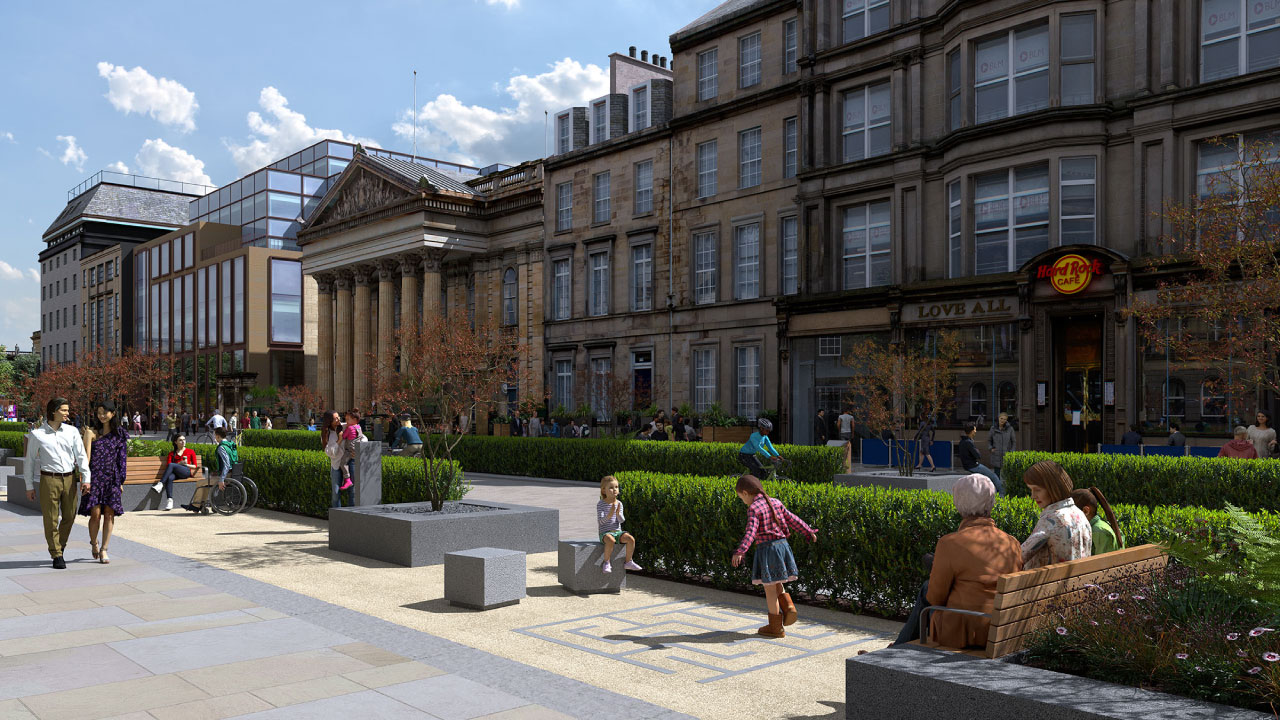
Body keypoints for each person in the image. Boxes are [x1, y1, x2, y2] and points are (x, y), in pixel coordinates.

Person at [893, 474, 1022, 646]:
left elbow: (935, 599)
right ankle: (898, 647)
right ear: (991, 503)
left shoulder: (949, 543)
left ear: (958, 504)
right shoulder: (1012, 542)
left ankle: (898, 648)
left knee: (927, 588)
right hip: (1003, 629)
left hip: (966, 633)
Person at [731, 474, 818, 638]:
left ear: (745, 493)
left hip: (768, 549)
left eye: (741, 498)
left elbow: (750, 532)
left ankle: (775, 627)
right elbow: (793, 519)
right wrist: (808, 531)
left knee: (769, 589)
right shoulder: (775, 502)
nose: (743, 501)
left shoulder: (754, 509)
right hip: (782, 546)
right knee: (777, 581)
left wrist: (741, 551)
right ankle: (789, 607)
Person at [23, 397, 90, 569]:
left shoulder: (72, 431)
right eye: (64, 410)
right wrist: (29, 486)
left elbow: (81, 456)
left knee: (69, 516)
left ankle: (59, 546)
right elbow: (29, 461)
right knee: (51, 519)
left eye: (68, 410)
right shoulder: (37, 434)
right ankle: (56, 554)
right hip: (48, 479)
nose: (68, 413)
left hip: (69, 479)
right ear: (54, 411)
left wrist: (86, 478)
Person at [78, 401, 129, 564]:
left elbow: (122, 459)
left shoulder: (120, 434)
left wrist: (121, 480)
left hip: (112, 478)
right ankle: (94, 543)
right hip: (95, 478)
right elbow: (86, 457)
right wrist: (85, 478)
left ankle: (104, 549)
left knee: (109, 513)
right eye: (99, 412)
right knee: (95, 514)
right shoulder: (91, 432)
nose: (101, 415)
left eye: (105, 412)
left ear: (113, 413)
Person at [1021, 460, 1091, 569]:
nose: (1032, 496)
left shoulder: (1052, 520)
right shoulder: (1080, 514)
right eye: (1031, 490)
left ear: (1053, 488)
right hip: (1079, 584)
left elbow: (1020, 556)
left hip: (1049, 585)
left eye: (1037, 490)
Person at [597, 475, 641, 573]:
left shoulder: (619, 503)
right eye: (611, 488)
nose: (614, 490)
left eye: (616, 487)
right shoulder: (601, 504)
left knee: (630, 539)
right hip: (605, 533)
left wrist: (617, 514)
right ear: (604, 490)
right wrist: (610, 514)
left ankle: (628, 562)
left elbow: (621, 521)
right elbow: (600, 522)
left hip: (617, 532)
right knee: (611, 540)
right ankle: (606, 562)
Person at [184, 427, 233, 514]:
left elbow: (227, 464)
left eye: (215, 435)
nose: (214, 437)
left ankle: (196, 506)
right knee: (205, 483)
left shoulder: (221, 448)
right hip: (230, 474)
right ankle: (200, 505)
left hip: (226, 476)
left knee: (200, 483)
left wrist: (221, 479)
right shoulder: (230, 445)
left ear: (218, 436)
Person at [1071, 487, 1124, 556]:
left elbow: (1101, 563)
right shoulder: (1099, 526)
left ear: (1086, 511)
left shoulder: (1098, 531)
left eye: (1072, 513)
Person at [155, 434, 198, 511]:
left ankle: (160, 484)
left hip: (186, 472)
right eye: (180, 440)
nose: (183, 442)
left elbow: (195, 466)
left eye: (184, 440)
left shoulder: (190, 451)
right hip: (176, 474)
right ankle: (169, 501)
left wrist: (186, 464)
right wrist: (179, 464)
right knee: (170, 477)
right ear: (175, 442)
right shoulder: (172, 453)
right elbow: (168, 466)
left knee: (172, 465)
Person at [957, 422, 1003, 495]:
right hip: (973, 466)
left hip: (967, 466)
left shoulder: (962, 441)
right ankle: (1002, 495)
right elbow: (978, 455)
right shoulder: (969, 442)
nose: (976, 431)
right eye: (975, 429)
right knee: (994, 477)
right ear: (971, 431)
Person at [321, 411, 350, 508]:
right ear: (329, 421)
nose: (339, 419)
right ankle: (337, 518)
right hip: (336, 466)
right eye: (336, 418)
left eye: (339, 417)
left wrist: (359, 447)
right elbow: (330, 453)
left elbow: (362, 437)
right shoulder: (326, 434)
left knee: (353, 493)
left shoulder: (345, 426)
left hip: (349, 464)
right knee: (336, 494)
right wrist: (339, 440)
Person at [336, 409, 364, 490]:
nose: (346, 421)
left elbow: (344, 436)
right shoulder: (359, 427)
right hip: (357, 449)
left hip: (350, 450)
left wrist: (341, 434)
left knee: (343, 463)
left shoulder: (350, 428)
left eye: (348, 419)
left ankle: (347, 479)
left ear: (354, 420)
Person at [988, 413, 1015, 479]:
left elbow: (1013, 441)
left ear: (1006, 420)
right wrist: (991, 448)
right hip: (996, 454)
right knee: (996, 475)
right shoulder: (993, 428)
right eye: (1001, 418)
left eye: (1004, 419)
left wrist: (1011, 451)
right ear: (998, 418)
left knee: (1006, 475)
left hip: (1006, 454)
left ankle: (1006, 488)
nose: (1002, 420)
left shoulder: (1010, 429)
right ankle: (997, 488)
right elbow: (989, 440)